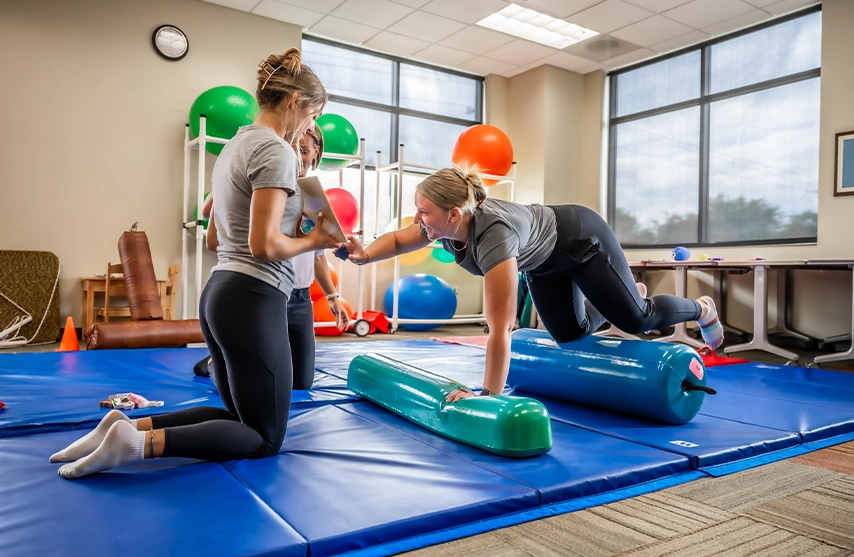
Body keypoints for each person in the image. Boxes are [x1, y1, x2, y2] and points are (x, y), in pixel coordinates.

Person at [50, 47, 341, 479]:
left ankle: (126, 424)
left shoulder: (235, 146)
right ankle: (137, 443)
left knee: (234, 413)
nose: (310, 127)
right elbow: (263, 246)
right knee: (264, 437)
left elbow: (215, 237)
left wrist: (306, 226)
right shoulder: (277, 151)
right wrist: (315, 239)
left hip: (220, 292)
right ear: (296, 103)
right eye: (313, 116)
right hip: (254, 296)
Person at [345, 167, 723, 402]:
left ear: (453, 213)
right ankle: (624, 295)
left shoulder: (494, 233)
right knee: (569, 334)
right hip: (544, 263)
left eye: (424, 212)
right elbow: (398, 240)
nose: (418, 219)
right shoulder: (442, 227)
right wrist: (363, 255)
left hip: (581, 242)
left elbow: (501, 327)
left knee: (638, 319)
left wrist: (487, 396)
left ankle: (702, 308)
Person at [193, 125, 349, 388]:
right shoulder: (270, 181)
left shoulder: (311, 194)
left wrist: (333, 297)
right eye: (293, 148)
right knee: (264, 379)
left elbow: (318, 255)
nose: (298, 156)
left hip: (299, 296)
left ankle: (224, 359)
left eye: (304, 150)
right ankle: (216, 363)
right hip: (267, 288)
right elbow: (214, 230)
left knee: (301, 381)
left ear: (316, 153)